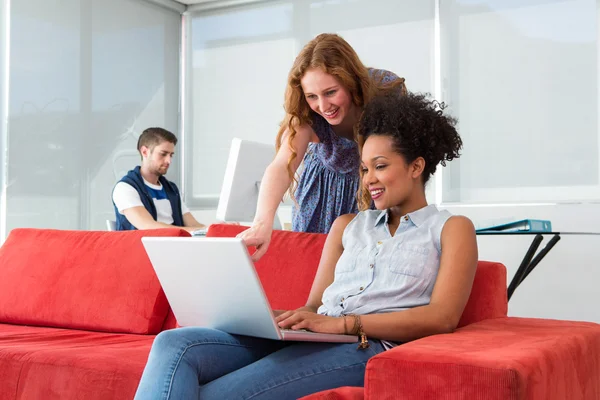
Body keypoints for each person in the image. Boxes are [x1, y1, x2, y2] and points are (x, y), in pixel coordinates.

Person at [133, 92, 478, 400]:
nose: (368, 178)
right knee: (174, 344)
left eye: (380, 166)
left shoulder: (451, 228)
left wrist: (344, 325)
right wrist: (285, 319)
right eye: (363, 168)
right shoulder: (347, 226)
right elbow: (316, 304)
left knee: (215, 394)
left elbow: (442, 318)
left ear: (416, 166)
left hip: (365, 347)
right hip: (319, 336)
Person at [238, 33, 407, 261]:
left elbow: (404, 156)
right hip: (320, 192)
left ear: (350, 81)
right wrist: (262, 223)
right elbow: (281, 165)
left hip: (369, 187)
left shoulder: (386, 90)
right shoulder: (307, 111)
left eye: (330, 92)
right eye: (312, 96)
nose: (323, 106)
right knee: (311, 266)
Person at [112, 127, 206, 233]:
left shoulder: (172, 189)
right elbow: (148, 226)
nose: (169, 161)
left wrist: (214, 231)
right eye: (163, 154)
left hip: (174, 246)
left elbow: (193, 224)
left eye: (171, 155)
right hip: (142, 248)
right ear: (145, 152)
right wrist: (193, 231)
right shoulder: (125, 188)